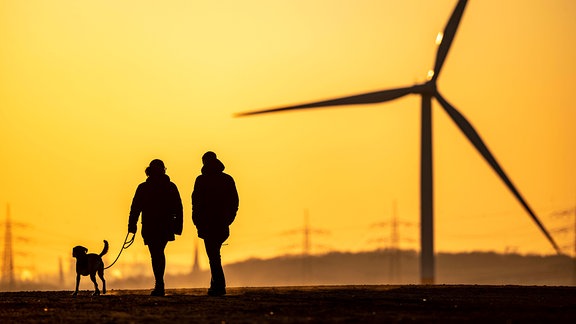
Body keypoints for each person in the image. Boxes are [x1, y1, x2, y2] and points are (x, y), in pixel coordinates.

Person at [128, 159, 183, 296]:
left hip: (152, 226)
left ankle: (159, 283)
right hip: (163, 226)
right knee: (158, 253)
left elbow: (135, 208)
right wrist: (178, 226)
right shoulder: (170, 186)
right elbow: (178, 208)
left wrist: (132, 225)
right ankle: (159, 282)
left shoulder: (144, 187)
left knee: (156, 253)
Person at [192, 151, 239, 296]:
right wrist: (228, 219)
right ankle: (215, 285)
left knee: (213, 255)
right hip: (221, 224)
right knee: (214, 254)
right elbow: (235, 203)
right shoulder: (227, 179)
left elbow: (196, 203)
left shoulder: (201, 180)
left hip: (208, 224)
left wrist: (198, 222)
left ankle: (219, 286)